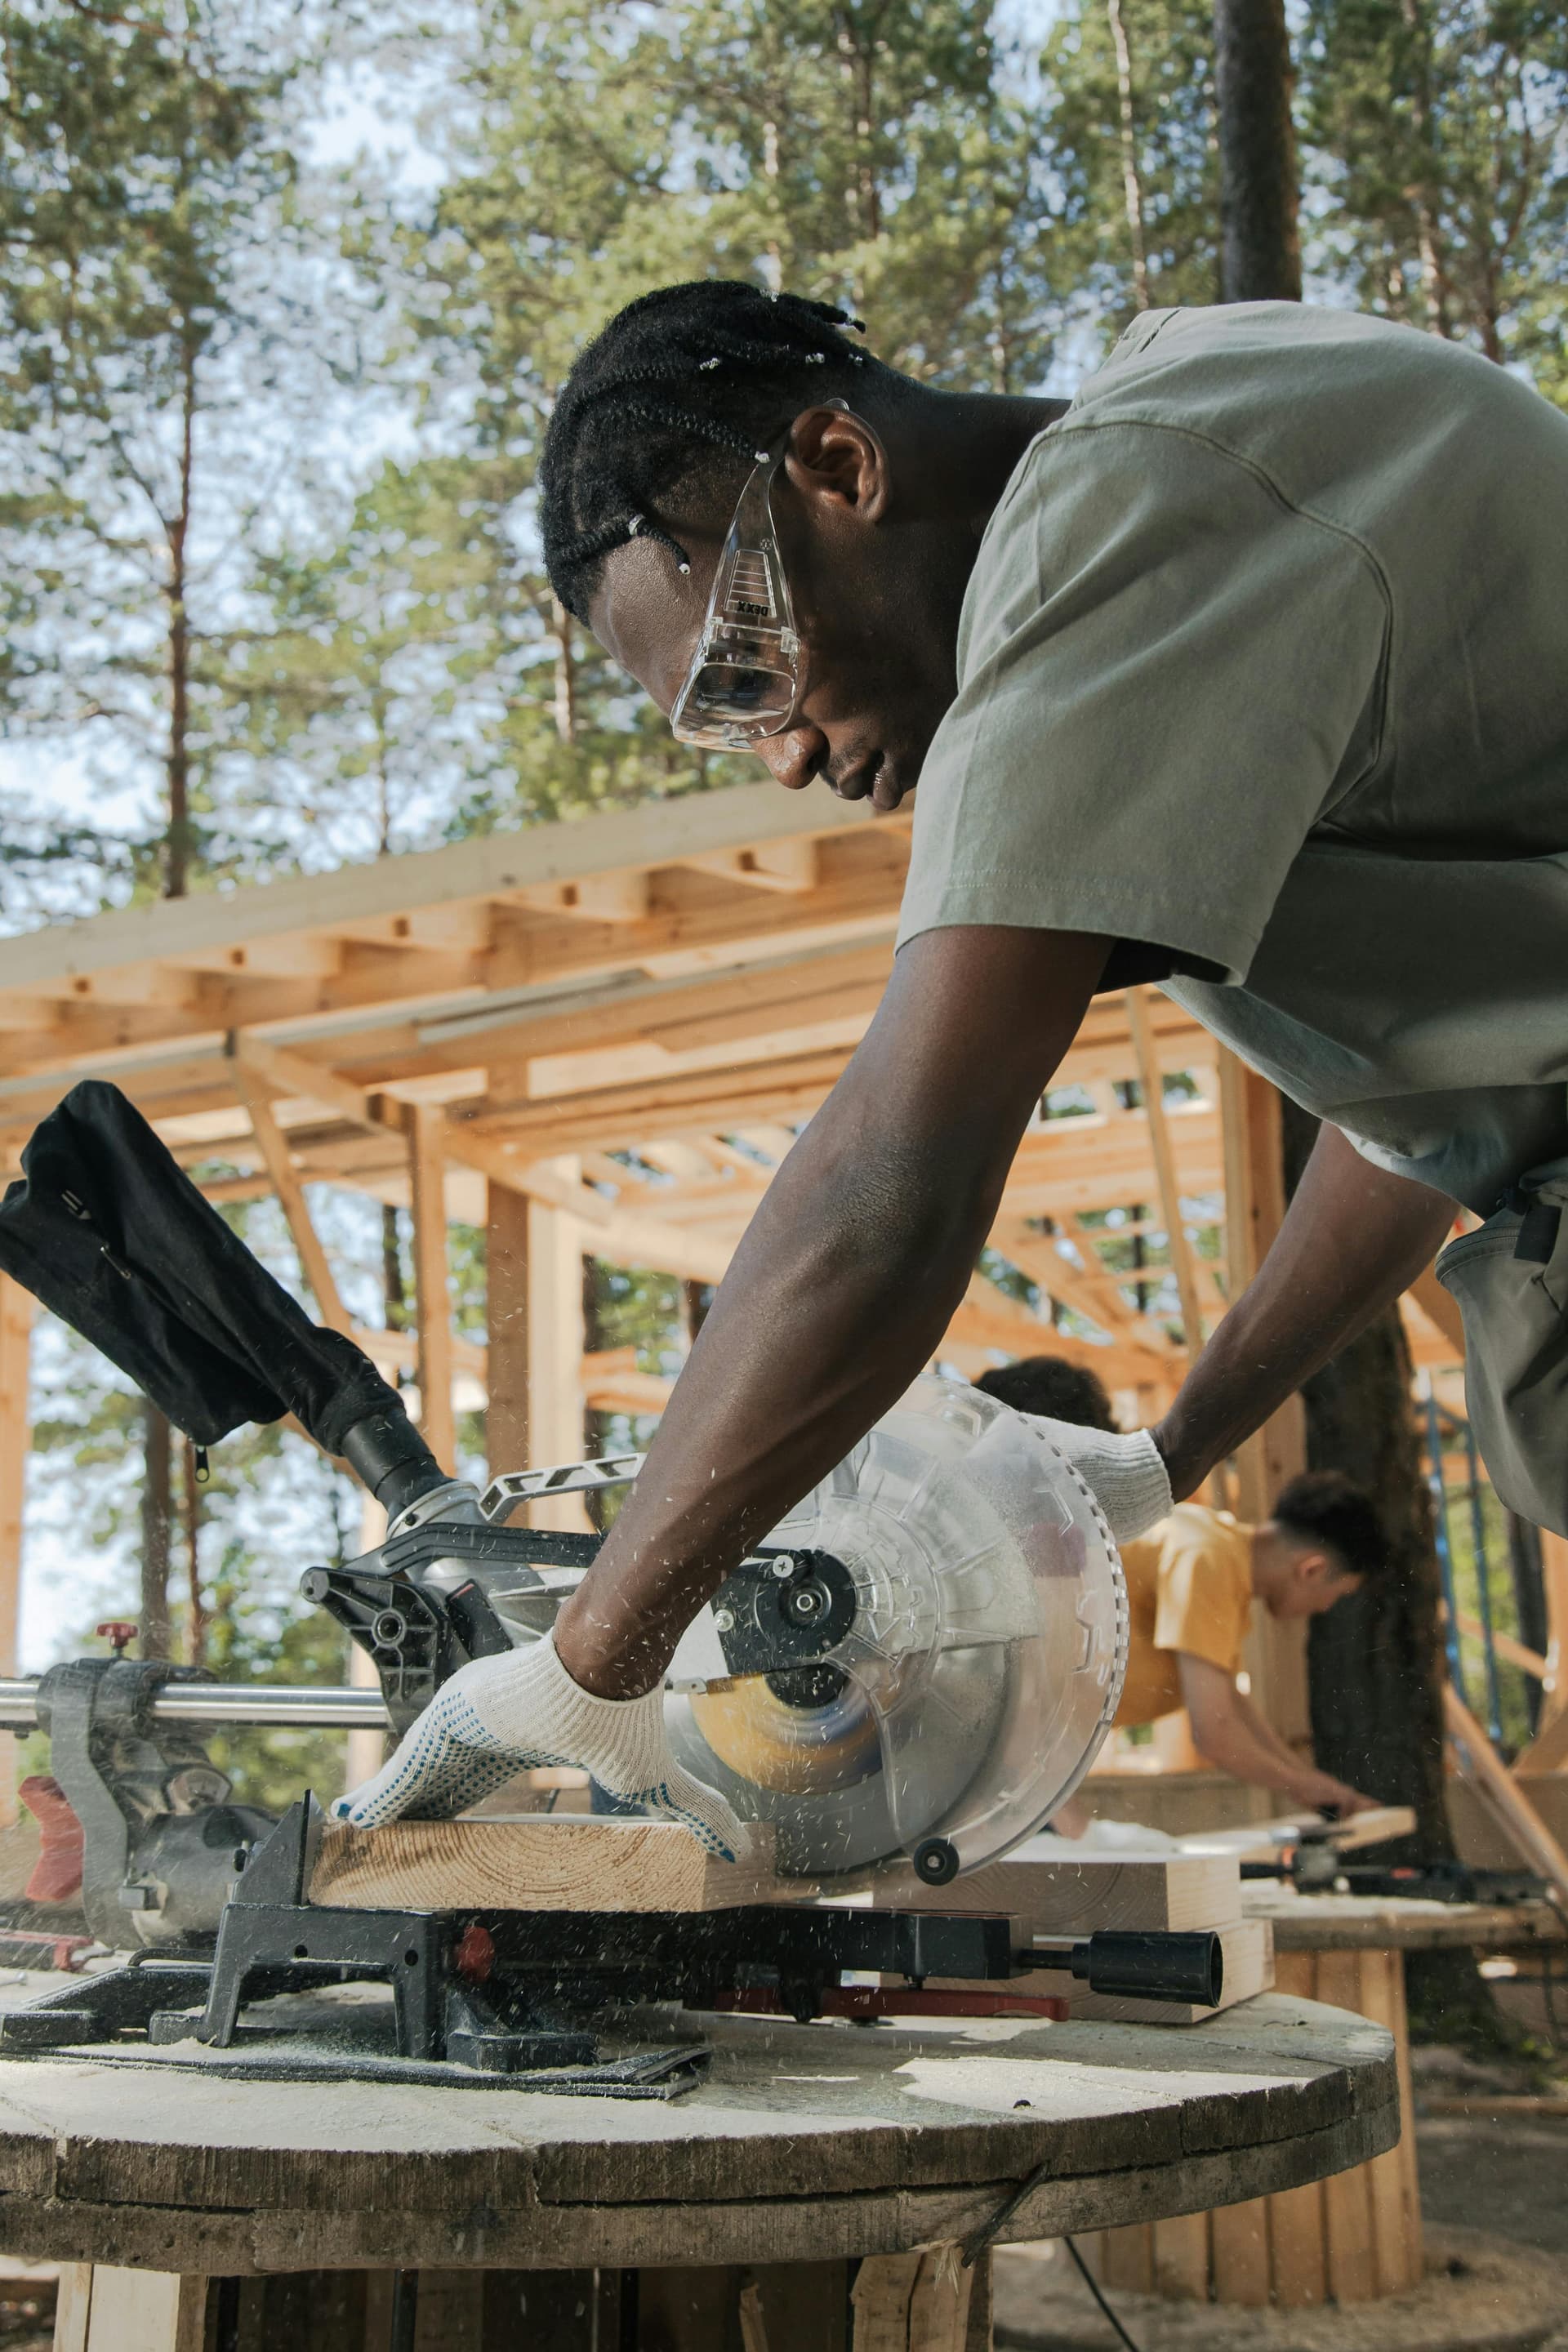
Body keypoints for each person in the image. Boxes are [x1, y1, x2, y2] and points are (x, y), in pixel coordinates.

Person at [336, 281, 1568, 1850]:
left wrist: (592, 1665)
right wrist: (1162, 1458)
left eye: (740, 670)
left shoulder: (1126, 516)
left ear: (840, 468)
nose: (782, 752)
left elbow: (893, 1180)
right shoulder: (1218, 459)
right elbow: (1413, 1127)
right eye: (727, 725)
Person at [973, 1359, 1382, 1816]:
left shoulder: (1222, 1554)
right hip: (1001, 1723)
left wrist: (1313, 1786)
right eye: (1338, 1593)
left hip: (1016, 1732)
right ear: (1311, 1569)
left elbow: (1232, 1703)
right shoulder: (1207, 1557)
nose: (1327, 1607)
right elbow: (1214, 1732)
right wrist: (1308, 1792)